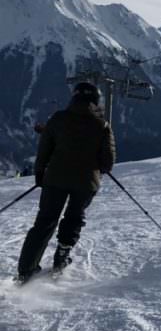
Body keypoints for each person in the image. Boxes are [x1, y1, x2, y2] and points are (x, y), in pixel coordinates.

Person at [14, 82, 116, 284]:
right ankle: (61, 257)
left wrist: (40, 172)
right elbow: (108, 161)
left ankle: (26, 270)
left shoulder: (57, 119)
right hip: (86, 183)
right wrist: (100, 167)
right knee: (74, 218)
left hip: (55, 179)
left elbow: (44, 149)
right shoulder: (102, 125)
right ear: (95, 101)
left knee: (45, 222)